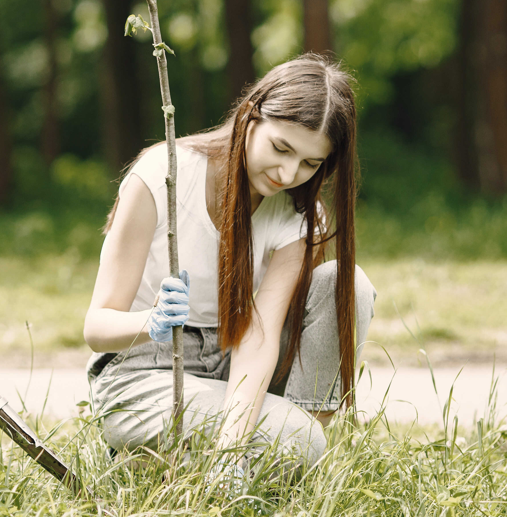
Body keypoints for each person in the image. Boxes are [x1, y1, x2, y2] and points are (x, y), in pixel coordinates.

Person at [83, 54, 376, 480]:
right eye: (281, 148)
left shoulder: (300, 214)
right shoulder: (163, 176)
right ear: (251, 115)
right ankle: (275, 456)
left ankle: (249, 458)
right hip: (142, 372)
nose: (288, 172)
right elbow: (95, 328)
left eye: (311, 163)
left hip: (233, 363)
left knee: (344, 284)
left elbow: (258, 335)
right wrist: (153, 322)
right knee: (296, 441)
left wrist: (231, 446)